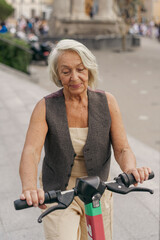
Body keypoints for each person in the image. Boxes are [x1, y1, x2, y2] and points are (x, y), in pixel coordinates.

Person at [19, 39, 151, 240]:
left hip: (98, 189)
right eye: (66, 72)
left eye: (80, 69)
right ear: (57, 75)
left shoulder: (107, 102)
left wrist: (130, 169)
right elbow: (31, 151)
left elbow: (123, 148)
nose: (75, 77)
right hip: (59, 192)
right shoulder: (45, 107)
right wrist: (30, 188)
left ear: (89, 69)